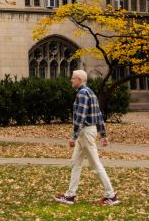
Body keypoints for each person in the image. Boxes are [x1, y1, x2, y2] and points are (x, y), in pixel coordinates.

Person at [55, 70, 119, 206]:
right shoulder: (90, 92)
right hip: (88, 131)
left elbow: (81, 116)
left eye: (73, 78)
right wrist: (103, 134)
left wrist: (74, 136)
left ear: (79, 79)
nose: (71, 80)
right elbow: (99, 115)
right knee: (75, 163)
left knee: (95, 165)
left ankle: (110, 195)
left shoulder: (83, 93)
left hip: (85, 132)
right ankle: (70, 195)